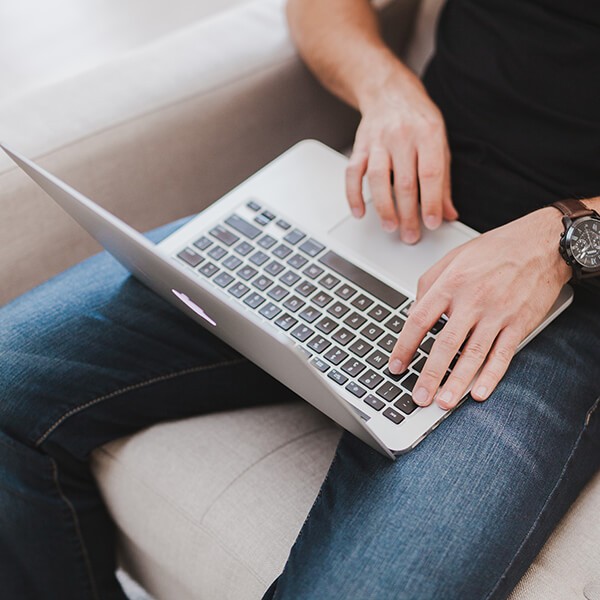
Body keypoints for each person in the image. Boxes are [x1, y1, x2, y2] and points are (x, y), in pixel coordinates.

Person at [0, 0, 598, 598]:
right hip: (387, 206)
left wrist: (560, 239)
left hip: (559, 295)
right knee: (11, 374)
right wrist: (387, 87)